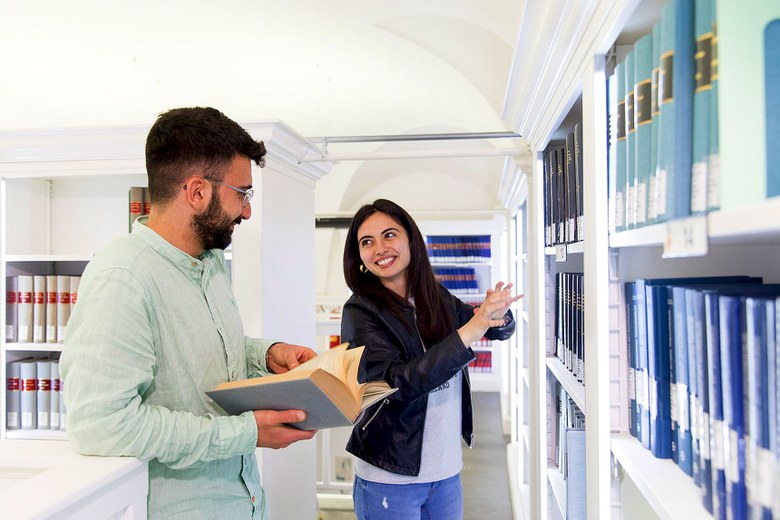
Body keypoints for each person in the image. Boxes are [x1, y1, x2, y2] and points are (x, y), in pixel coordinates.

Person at [59, 107, 317, 519]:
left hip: (244, 503)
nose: (247, 212)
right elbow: (101, 425)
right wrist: (244, 433)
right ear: (197, 192)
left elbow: (199, 352)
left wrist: (266, 354)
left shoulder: (211, 263)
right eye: (243, 193)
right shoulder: (122, 278)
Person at [340, 198, 523, 519]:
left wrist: (500, 316)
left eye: (390, 235)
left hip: (445, 470)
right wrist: (473, 327)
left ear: (411, 240)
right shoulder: (360, 311)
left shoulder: (434, 296)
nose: (380, 248)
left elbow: (492, 330)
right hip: (391, 474)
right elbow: (398, 384)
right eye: (367, 242)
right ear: (359, 257)